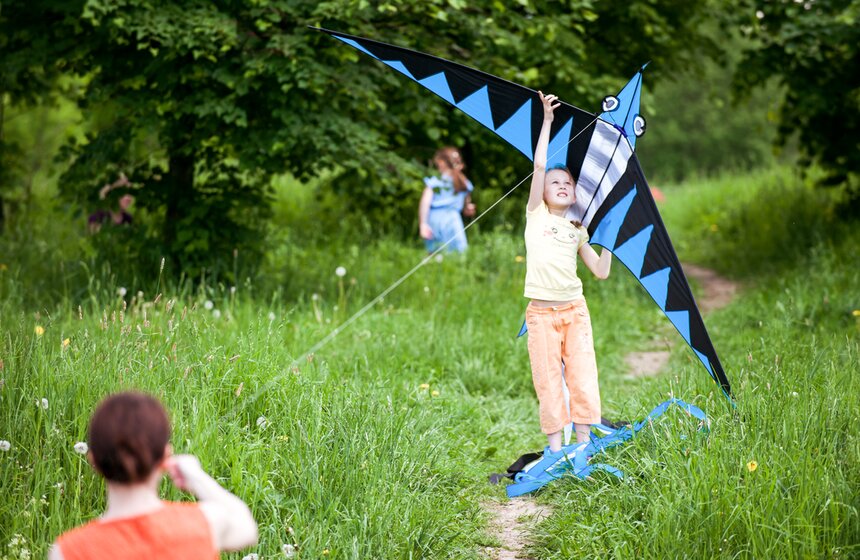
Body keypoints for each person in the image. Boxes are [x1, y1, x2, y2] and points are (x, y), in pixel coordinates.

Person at [50, 392, 258, 560]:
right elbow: (247, 526)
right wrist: (197, 476)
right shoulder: (204, 523)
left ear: (93, 460)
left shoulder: (67, 552)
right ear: (165, 456)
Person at [524, 92, 613, 455]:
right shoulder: (536, 216)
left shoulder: (578, 230)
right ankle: (556, 449)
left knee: (582, 376)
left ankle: (582, 446)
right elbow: (540, 166)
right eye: (555, 183)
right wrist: (547, 121)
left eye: (568, 183)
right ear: (543, 194)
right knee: (548, 381)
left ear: (575, 194)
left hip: (575, 312)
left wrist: (611, 241)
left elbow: (600, 271)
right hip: (542, 315)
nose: (562, 184)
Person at [418, 147, 476, 253]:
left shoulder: (435, 181)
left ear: (442, 163)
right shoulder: (464, 182)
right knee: (457, 254)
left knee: (435, 253)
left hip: (434, 219)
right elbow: (467, 205)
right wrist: (469, 208)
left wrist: (423, 224)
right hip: (453, 220)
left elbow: (425, 203)